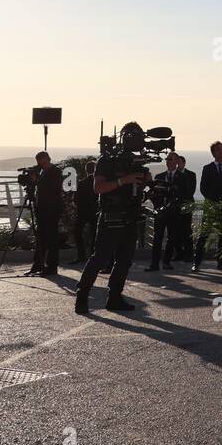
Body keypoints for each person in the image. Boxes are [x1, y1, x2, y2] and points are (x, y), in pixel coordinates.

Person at [75, 122, 151, 314]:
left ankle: (115, 297)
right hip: (111, 217)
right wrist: (124, 180)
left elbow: (140, 187)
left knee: (125, 260)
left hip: (131, 216)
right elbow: (98, 188)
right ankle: (82, 297)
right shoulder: (107, 160)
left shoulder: (135, 162)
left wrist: (145, 181)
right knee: (100, 259)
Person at [195, 141, 222, 271]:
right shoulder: (207, 168)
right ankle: (197, 262)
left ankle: (221, 262)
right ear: (213, 153)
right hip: (211, 206)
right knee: (204, 234)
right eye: (218, 150)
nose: (221, 152)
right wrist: (213, 200)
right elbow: (203, 188)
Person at [28, 151, 64, 276]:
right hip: (42, 208)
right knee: (41, 237)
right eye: (40, 163)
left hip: (52, 209)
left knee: (52, 239)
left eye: (44, 163)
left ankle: (51, 266)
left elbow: (52, 189)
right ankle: (38, 264)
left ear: (48, 159)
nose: (42, 165)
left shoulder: (55, 171)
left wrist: (37, 179)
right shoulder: (42, 171)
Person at [146, 152, 181, 271]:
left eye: (171, 159)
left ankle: (166, 262)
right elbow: (154, 194)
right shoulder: (159, 177)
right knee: (157, 238)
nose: (168, 161)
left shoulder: (183, 177)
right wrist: (158, 208)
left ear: (177, 162)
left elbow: (186, 194)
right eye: (167, 159)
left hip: (174, 213)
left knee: (171, 238)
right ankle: (154, 264)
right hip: (160, 213)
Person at [168, 155, 196, 267]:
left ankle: (189, 254)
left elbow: (191, 190)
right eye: (176, 162)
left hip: (186, 205)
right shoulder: (174, 175)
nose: (178, 164)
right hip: (175, 206)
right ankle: (179, 253)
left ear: (184, 163)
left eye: (179, 162)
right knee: (176, 231)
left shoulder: (191, 174)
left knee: (187, 231)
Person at [70, 159, 97, 265]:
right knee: (95, 233)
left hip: (82, 212)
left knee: (77, 233)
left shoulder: (81, 183)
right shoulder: (97, 182)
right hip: (95, 212)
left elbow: (75, 199)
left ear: (86, 170)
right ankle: (93, 255)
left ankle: (81, 255)